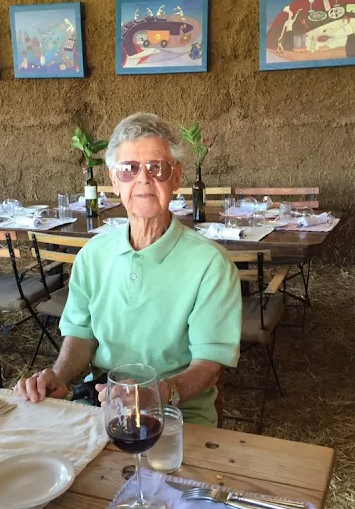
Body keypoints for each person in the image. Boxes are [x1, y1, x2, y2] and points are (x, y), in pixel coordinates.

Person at [15, 113, 242, 426]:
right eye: (129, 169)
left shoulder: (211, 264)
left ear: (176, 177)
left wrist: (158, 394)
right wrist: (59, 375)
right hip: (101, 407)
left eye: (157, 167)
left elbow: (209, 365)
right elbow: (81, 335)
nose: (143, 179)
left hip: (177, 416)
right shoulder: (92, 255)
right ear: (114, 181)